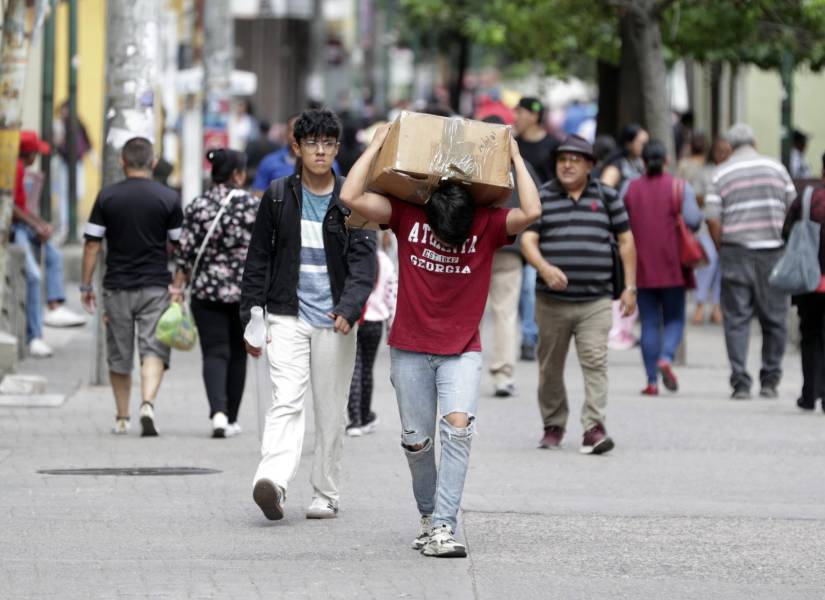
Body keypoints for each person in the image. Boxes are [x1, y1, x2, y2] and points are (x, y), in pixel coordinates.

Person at [339, 122, 541, 558]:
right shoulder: (409, 213)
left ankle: (446, 527)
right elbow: (350, 198)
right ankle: (429, 517)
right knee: (416, 442)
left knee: (458, 429)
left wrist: (516, 159)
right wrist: (375, 146)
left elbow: (533, 212)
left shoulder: (487, 224)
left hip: (462, 349)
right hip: (409, 346)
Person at [241, 109, 376, 522]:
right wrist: (252, 315)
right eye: (312, 143)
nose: (321, 150)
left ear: (337, 147)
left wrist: (350, 307)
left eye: (329, 143)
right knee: (286, 401)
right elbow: (258, 258)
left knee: (331, 410)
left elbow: (364, 262)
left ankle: (325, 493)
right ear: (296, 148)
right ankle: (273, 480)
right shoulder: (279, 195)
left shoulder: (354, 198)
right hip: (286, 315)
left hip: (335, 320)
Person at [521, 134, 637, 454]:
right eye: (562, 159)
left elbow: (626, 241)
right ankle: (553, 424)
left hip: (596, 300)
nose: (567, 165)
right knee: (550, 368)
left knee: (595, 361)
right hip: (551, 301)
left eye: (575, 160)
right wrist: (544, 268)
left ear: (589, 165)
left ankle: (593, 428)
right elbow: (528, 241)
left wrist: (629, 287)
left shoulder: (608, 197)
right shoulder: (542, 196)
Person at [80, 137, 182, 436]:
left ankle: (122, 417)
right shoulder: (168, 198)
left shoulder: (107, 197)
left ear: (122, 162)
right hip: (155, 286)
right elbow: (180, 247)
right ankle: (147, 403)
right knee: (154, 348)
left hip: (117, 286)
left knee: (119, 352)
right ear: (152, 163)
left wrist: (85, 286)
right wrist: (178, 284)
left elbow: (91, 245)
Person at [172, 149, 259, 438]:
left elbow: (184, 251)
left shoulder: (199, 205)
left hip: (205, 291)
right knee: (238, 354)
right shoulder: (251, 205)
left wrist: (178, 286)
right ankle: (232, 418)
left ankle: (218, 413)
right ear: (237, 174)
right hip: (244, 293)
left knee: (214, 352)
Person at [705, 123, 796, 400]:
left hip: (736, 250)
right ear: (754, 143)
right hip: (773, 251)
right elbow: (793, 207)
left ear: (730, 147)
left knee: (736, 318)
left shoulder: (720, 173)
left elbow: (711, 217)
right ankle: (770, 379)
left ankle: (741, 381)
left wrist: (723, 246)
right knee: (775, 318)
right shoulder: (777, 169)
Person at [623, 140, 702, 395]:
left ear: (643, 162)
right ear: (667, 160)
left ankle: (651, 382)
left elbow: (621, 223)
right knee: (675, 318)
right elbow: (693, 220)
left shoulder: (630, 188)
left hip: (640, 265)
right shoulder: (680, 187)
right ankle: (666, 357)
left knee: (648, 323)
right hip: (673, 264)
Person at [12, 131, 86, 358]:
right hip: (16, 229)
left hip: (24, 225)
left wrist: (40, 224)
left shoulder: (22, 169)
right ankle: (34, 336)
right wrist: (35, 226)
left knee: (54, 255)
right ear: (30, 153)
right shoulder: (15, 169)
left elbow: (23, 209)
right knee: (33, 275)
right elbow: (12, 210)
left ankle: (54, 306)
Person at [513, 97, 557, 361]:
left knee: (530, 283)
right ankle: (530, 329)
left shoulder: (552, 145)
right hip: (514, 219)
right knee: (519, 285)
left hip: (540, 221)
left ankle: (530, 336)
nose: (515, 115)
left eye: (519, 111)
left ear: (533, 115)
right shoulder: (511, 143)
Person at [782, 153, 825, 412]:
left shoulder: (809, 198)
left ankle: (809, 393)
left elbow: (786, 230)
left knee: (809, 335)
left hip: (810, 278)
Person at [601, 124, 648, 351]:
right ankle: (616, 331)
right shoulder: (616, 166)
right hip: (618, 229)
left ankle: (625, 330)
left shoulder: (639, 164)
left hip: (637, 228)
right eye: (641, 142)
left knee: (633, 277)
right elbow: (604, 191)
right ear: (629, 142)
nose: (644, 146)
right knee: (621, 277)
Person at [346, 232, 397, 436]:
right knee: (367, 369)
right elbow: (391, 295)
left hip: (354, 319)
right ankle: (366, 415)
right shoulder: (385, 261)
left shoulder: (353, 257)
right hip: (376, 322)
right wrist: (392, 325)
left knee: (354, 368)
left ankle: (354, 420)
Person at [690, 137, 732, 324]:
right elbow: (696, 198)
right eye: (719, 150)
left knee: (723, 265)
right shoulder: (704, 173)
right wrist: (711, 198)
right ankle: (700, 304)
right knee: (710, 261)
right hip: (706, 227)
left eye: (726, 150)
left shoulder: (733, 172)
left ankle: (716, 307)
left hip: (728, 227)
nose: (722, 154)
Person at [252, 112, 341, 194]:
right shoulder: (269, 162)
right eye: (292, 130)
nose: (296, 135)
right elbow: (258, 192)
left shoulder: (328, 163)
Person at [52, 101, 95, 241]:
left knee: (77, 193)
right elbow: (56, 143)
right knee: (64, 193)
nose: (65, 113)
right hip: (64, 163)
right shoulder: (59, 124)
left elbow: (88, 144)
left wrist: (96, 161)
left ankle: (72, 222)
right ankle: (65, 225)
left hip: (78, 163)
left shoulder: (78, 125)